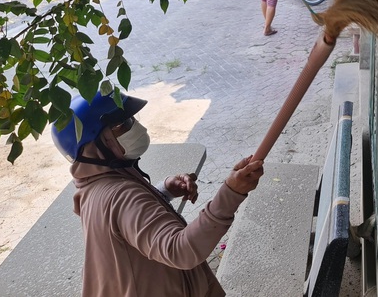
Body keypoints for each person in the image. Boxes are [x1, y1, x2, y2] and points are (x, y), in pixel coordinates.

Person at [51, 91, 264, 297]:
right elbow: (181, 251)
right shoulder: (121, 195)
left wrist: (162, 191)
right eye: (121, 125)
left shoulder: (97, 184)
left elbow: (127, 225)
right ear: (93, 146)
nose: (135, 127)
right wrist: (231, 193)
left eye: (131, 119)